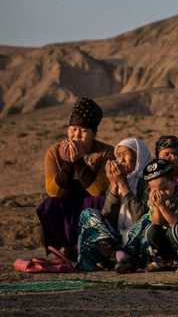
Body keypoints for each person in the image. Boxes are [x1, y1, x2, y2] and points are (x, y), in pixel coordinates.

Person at [36, 96, 114, 260]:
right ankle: (64, 248)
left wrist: (78, 162)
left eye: (83, 131)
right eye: (73, 129)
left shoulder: (106, 152)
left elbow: (98, 190)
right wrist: (67, 163)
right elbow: (53, 191)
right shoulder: (54, 152)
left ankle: (97, 248)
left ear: (93, 134)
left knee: (99, 202)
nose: (76, 135)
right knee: (50, 204)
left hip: (91, 203)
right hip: (67, 201)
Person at [77, 138, 153, 273]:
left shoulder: (149, 182)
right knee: (88, 214)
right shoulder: (115, 181)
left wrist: (124, 186)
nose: (121, 159)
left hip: (137, 241)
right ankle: (116, 254)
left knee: (150, 219)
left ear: (138, 156)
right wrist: (113, 186)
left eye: (126, 154)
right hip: (114, 241)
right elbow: (107, 220)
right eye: (118, 155)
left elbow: (141, 217)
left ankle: (118, 259)